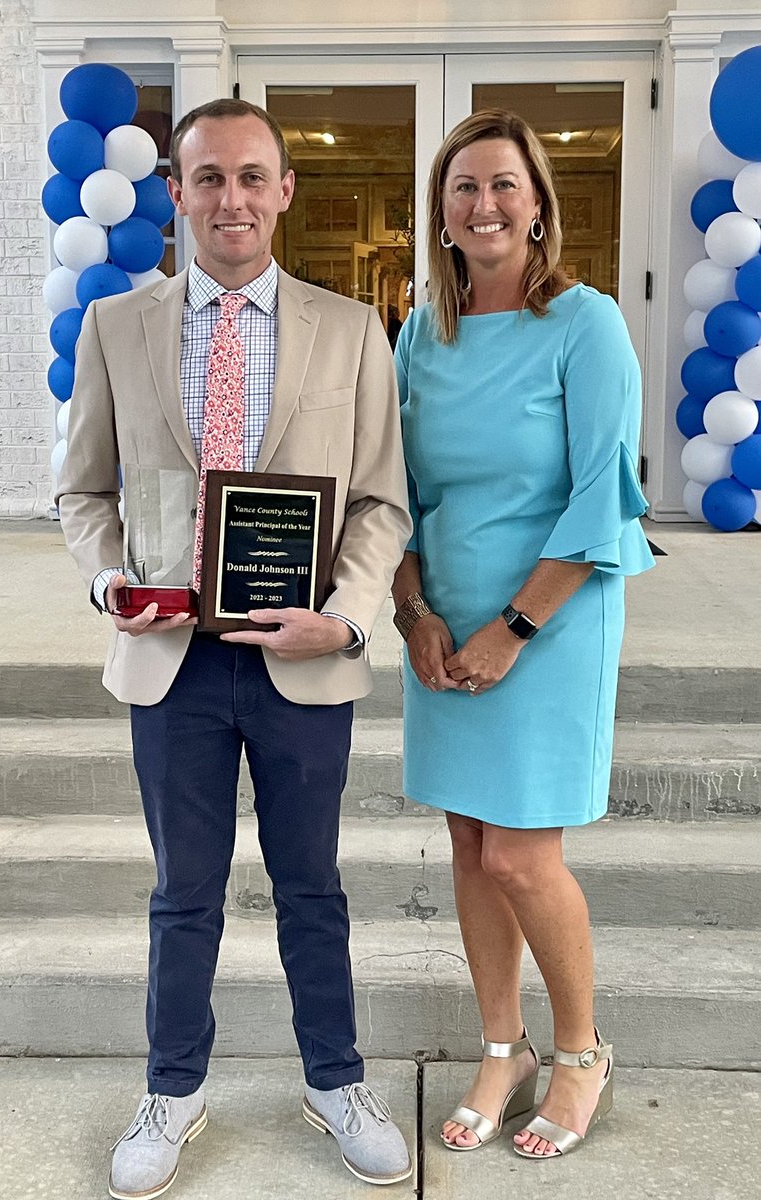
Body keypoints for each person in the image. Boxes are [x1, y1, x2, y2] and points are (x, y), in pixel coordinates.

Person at [57, 98, 413, 1199]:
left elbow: (379, 502)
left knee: (311, 887)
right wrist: (112, 583)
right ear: (175, 192)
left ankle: (336, 1082)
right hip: (174, 662)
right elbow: (83, 492)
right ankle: (172, 1092)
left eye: (252, 176)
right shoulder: (115, 325)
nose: (232, 199)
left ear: (284, 190)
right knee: (183, 893)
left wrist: (346, 617)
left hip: (303, 656)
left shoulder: (350, 330)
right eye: (208, 178)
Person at [391, 109, 654, 1162]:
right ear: (440, 213)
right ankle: (502, 1049)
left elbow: (603, 499)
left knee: (518, 851)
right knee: (467, 841)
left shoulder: (586, 324)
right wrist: (412, 613)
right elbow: (397, 497)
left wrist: (512, 628)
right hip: (444, 620)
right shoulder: (422, 332)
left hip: (549, 619)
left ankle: (581, 1052)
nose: (483, 204)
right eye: (463, 187)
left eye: (504, 184)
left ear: (539, 205)